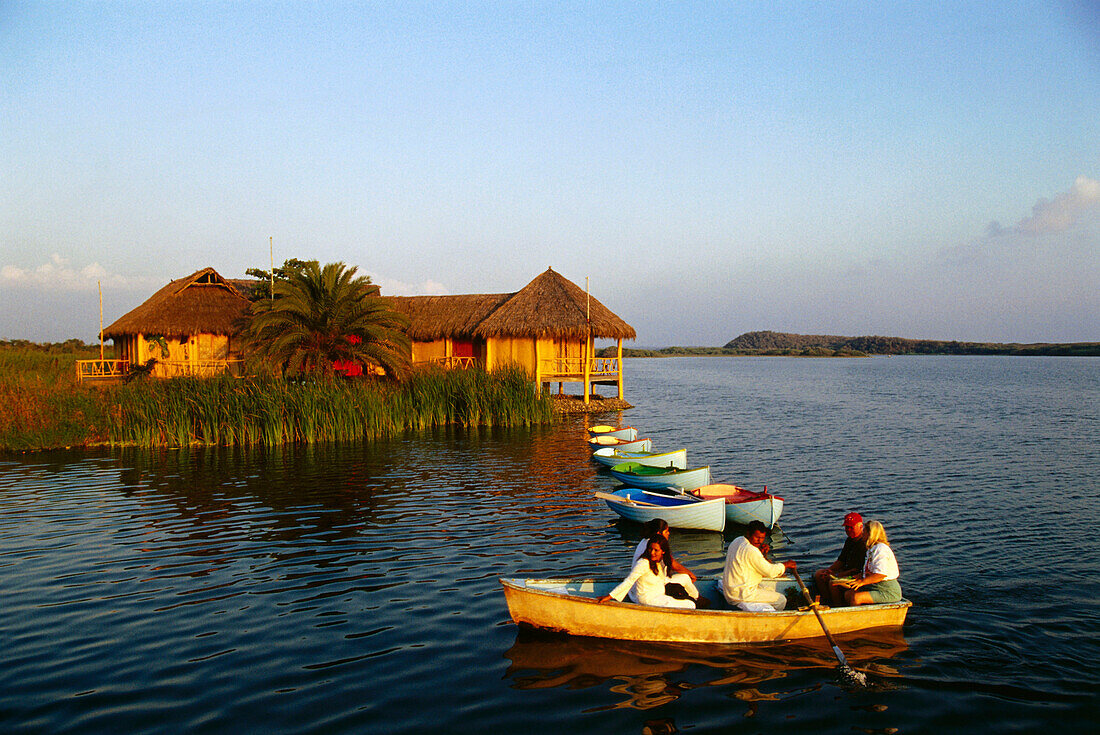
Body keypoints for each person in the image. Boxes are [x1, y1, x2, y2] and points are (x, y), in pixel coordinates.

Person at [597, 535, 696, 609]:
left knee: (686, 579)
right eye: (650, 549)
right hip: (647, 599)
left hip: (660, 594)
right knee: (690, 605)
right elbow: (629, 581)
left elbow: (674, 567)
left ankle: (696, 598)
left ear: (663, 551)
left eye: (656, 550)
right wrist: (610, 596)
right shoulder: (643, 563)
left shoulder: (662, 561)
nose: (652, 553)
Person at [721, 520, 797, 611]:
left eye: (762, 538)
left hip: (732, 590)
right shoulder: (751, 550)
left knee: (769, 589)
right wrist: (785, 565)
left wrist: (760, 552)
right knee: (781, 600)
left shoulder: (738, 540)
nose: (760, 541)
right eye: (757, 537)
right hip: (742, 593)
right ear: (748, 534)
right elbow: (770, 572)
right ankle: (771, 620)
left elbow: (747, 558)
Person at [629, 519, 700, 604]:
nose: (668, 533)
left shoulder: (645, 541)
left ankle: (696, 599)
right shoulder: (655, 547)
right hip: (649, 589)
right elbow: (673, 564)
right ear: (659, 533)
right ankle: (695, 602)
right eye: (666, 531)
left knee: (685, 578)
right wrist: (691, 574)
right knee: (686, 578)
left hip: (640, 588)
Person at [837, 520, 902, 606]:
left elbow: (880, 575)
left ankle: (857, 618)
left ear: (870, 534)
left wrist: (862, 582)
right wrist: (852, 578)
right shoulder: (871, 549)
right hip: (873, 586)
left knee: (857, 597)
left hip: (887, 590)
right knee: (848, 594)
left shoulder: (880, 549)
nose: (862, 534)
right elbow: (868, 572)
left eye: (864, 532)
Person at [813, 512, 866, 606]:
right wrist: (829, 570)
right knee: (819, 574)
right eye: (846, 527)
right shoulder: (849, 540)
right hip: (846, 571)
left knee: (833, 583)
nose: (848, 530)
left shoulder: (864, 544)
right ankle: (827, 602)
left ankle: (838, 606)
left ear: (860, 526)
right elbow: (841, 560)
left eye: (851, 527)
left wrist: (836, 575)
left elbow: (857, 570)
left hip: (855, 576)